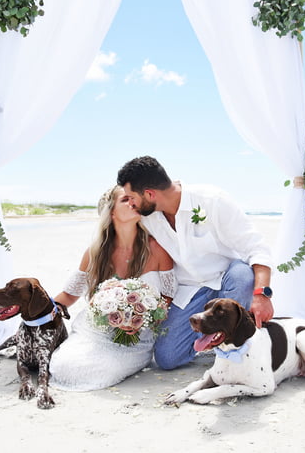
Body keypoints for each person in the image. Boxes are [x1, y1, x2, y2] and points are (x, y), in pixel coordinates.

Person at [116, 155, 274, 370]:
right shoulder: (147, 215)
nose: (131, 203)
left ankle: (237, 348)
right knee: (167, 358)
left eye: (131, 197)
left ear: (150, 193)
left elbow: (257, 248)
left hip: (229, 279)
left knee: (242, 274)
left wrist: (261, 295)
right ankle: (215, 336)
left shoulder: (213, 200)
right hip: (190, 289)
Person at [48, 185, 175, 391]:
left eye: (134, 198)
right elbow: (70, 295)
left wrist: (143, 318)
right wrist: (37, 315)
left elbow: (168, 295)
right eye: (125, 200)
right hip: (96, 331)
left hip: (138, 338)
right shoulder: (95, 252)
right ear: (112, 212)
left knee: (102, 369)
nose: (133, 203)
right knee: (64, 366)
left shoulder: (156, 248)